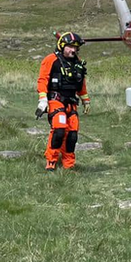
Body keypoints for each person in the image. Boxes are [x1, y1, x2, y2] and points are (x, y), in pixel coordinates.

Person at [36, 32, 91, 171]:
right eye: (70, 47)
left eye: (75, 48)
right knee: (59, 130)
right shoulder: (51, 60)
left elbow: (81, 84)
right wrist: (43, 100)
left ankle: (68, 165)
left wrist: (85, 100)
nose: (73, 50)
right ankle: (51, 160)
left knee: (72, 134)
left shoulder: (77, 64)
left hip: (71, 103)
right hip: (56, 101)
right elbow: (43, 80)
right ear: (62, 46)